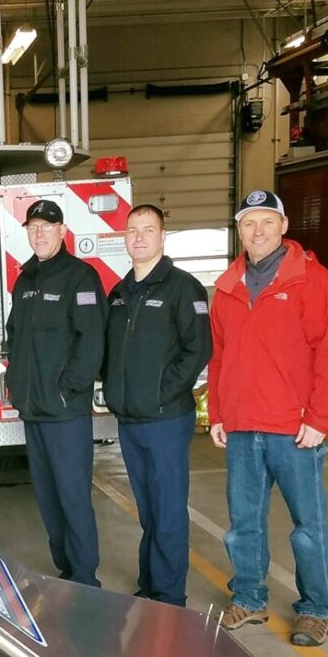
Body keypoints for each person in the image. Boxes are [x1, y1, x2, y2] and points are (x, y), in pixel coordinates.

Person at [208, 190, 328, 647]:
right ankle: (249, 598)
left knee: (308, 527)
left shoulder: (313, 281)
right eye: (250, 223)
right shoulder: (228, 287)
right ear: (240, 231)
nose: (258, 231)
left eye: (267, 222)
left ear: (284, 227)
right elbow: (219, 357)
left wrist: (321, 417)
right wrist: (218, 412)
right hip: (244, 425)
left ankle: (314, 610)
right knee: (242, 524)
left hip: (294, 430)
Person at [103, 204, 211, 607]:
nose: (140, 237)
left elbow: (198, 349)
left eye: (148, 230)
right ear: (125, 238)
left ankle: (168, 597)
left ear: (162, 237)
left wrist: (161, 391)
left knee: (167, 511)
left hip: (166, 418)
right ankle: (150, 585)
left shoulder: (184, 288)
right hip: (130, 420)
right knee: (148, 510)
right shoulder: (120, 293)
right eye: (133, 231)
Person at [5, 198, 107, 586]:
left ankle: (85, 576)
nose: (40, 233)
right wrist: (17, 382)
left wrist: (69, 390)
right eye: (33, 228)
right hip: (34, 410)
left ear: (63, 231)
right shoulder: (26, 279)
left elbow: (91, 341)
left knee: (73, 497)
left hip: (65, 412)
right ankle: (65, 567)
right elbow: (16, 335)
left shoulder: (80, 277)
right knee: (49, 498)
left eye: (47, 227)